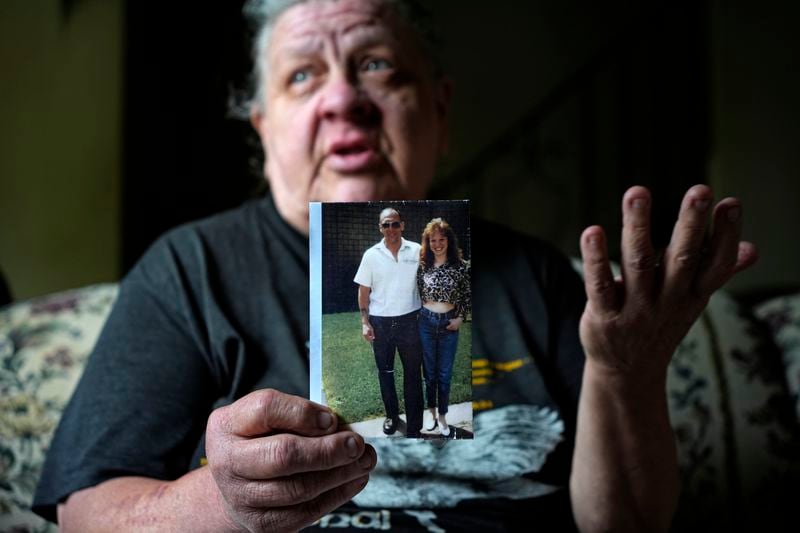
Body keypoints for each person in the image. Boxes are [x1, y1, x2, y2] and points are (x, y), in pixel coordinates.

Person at [32, 0, 757, 531]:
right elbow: (85, 512)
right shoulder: (191, 269)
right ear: (264, 131)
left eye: (376, 64)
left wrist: (627, 374)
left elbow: (625, 523)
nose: (344, 99)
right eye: (303, 77)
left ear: (439, 111)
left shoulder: (536, 276)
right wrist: (220, 499)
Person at [353, 207, 424, 438]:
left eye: (395, 224)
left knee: (413, 374)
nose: (391, 229)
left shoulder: (417, 250)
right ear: (380, 228)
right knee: (386, 372)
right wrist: (365, 322)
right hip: (380, 324)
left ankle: (415, 426)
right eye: (386, 225)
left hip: (411, 322)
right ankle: (391, 416)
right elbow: (363, 292)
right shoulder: (371, 255)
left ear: (402, 225)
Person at [416, 217, 470, 437]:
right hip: (426, 324)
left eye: (441, 239)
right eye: (433, 240)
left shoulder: (461, 266)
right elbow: (416, 294)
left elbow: (467, 297)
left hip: (449, 325)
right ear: (427, 243)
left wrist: (460, 319)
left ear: (449, 240)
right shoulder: (422, 267)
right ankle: (431, 413)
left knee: (444, 375)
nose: (437, 244)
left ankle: (443, 417)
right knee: (429, 374)